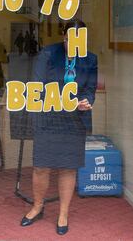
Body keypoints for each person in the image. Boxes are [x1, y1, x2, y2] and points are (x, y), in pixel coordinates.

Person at [20, 19, 97, 236]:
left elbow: (90, 89)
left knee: (68, 167)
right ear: (63, 36)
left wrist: (87, 101)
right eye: (68, 39)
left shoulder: (90, 59)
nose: (72, 43)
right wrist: (61, 101)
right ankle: (37, 206)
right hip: (48, 117)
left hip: (75, 120)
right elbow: (37, 86)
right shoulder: (48, 54)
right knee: (41, 166)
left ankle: (63, 213)